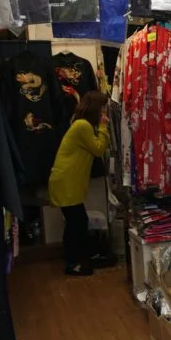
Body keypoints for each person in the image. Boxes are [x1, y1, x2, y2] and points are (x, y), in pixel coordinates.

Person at [48, 91, 110, 276]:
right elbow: (98, 149)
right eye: (103, 107)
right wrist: (104, 126)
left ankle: (76, 259)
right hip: (66, 181)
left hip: (67, 180)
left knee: (76, 222)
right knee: (77, 223)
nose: (104, 111)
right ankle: (73, 263)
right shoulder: (82, 125)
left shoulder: (79, 123)